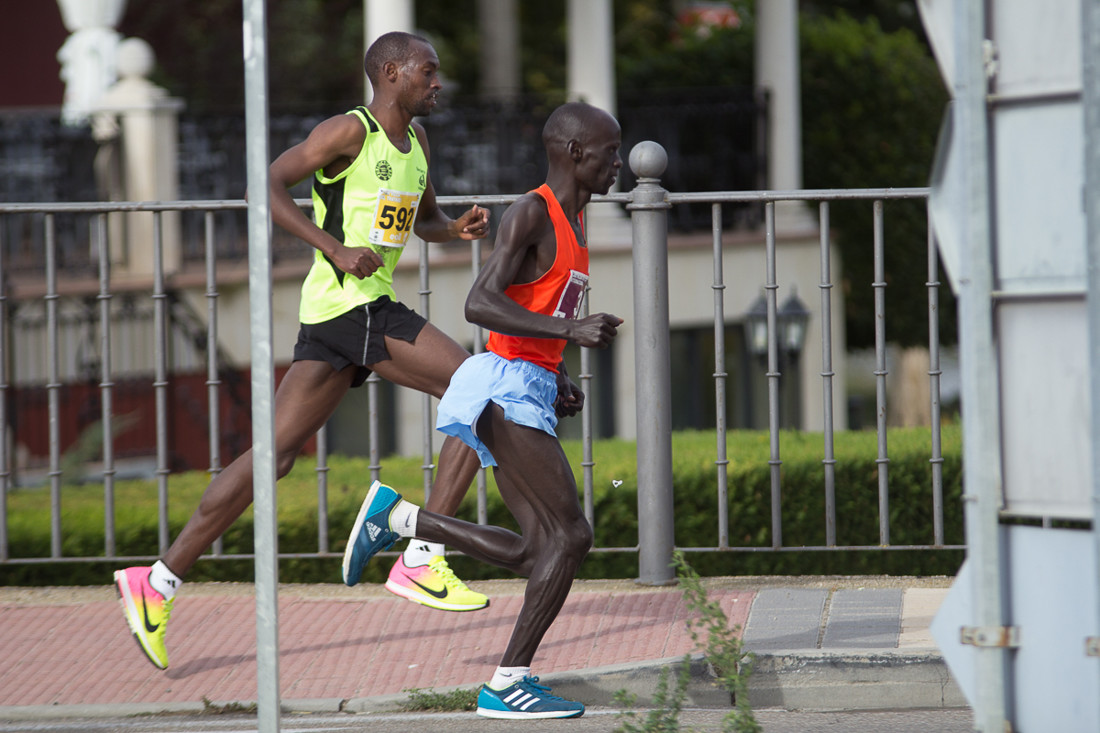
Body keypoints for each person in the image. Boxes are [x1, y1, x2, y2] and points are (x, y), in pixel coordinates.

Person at [113, 31, 494, 672]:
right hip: (353, 307)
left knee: (275, 457)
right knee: (481, 386)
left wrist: (452, 229)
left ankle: (157, 582)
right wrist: (333, 247)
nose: (438, 82)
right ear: (392, 72)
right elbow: (261, 186)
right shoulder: (348, 132)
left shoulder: (419, 144)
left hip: (336, 318)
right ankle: (422, 557)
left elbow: (420, 219)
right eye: (428, 71)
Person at [341, 101, 624, 720]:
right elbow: (479, 303)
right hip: (504, 388)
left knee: (535, 551)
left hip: (530, 382)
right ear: (576, 152)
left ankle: (405, 522)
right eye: (610, 152)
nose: (618, 164)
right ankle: (506, 684)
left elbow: (535, 315)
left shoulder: (577, 221)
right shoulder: (533, 211)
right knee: (571, 535)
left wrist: (561, 369)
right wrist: (571, 330)